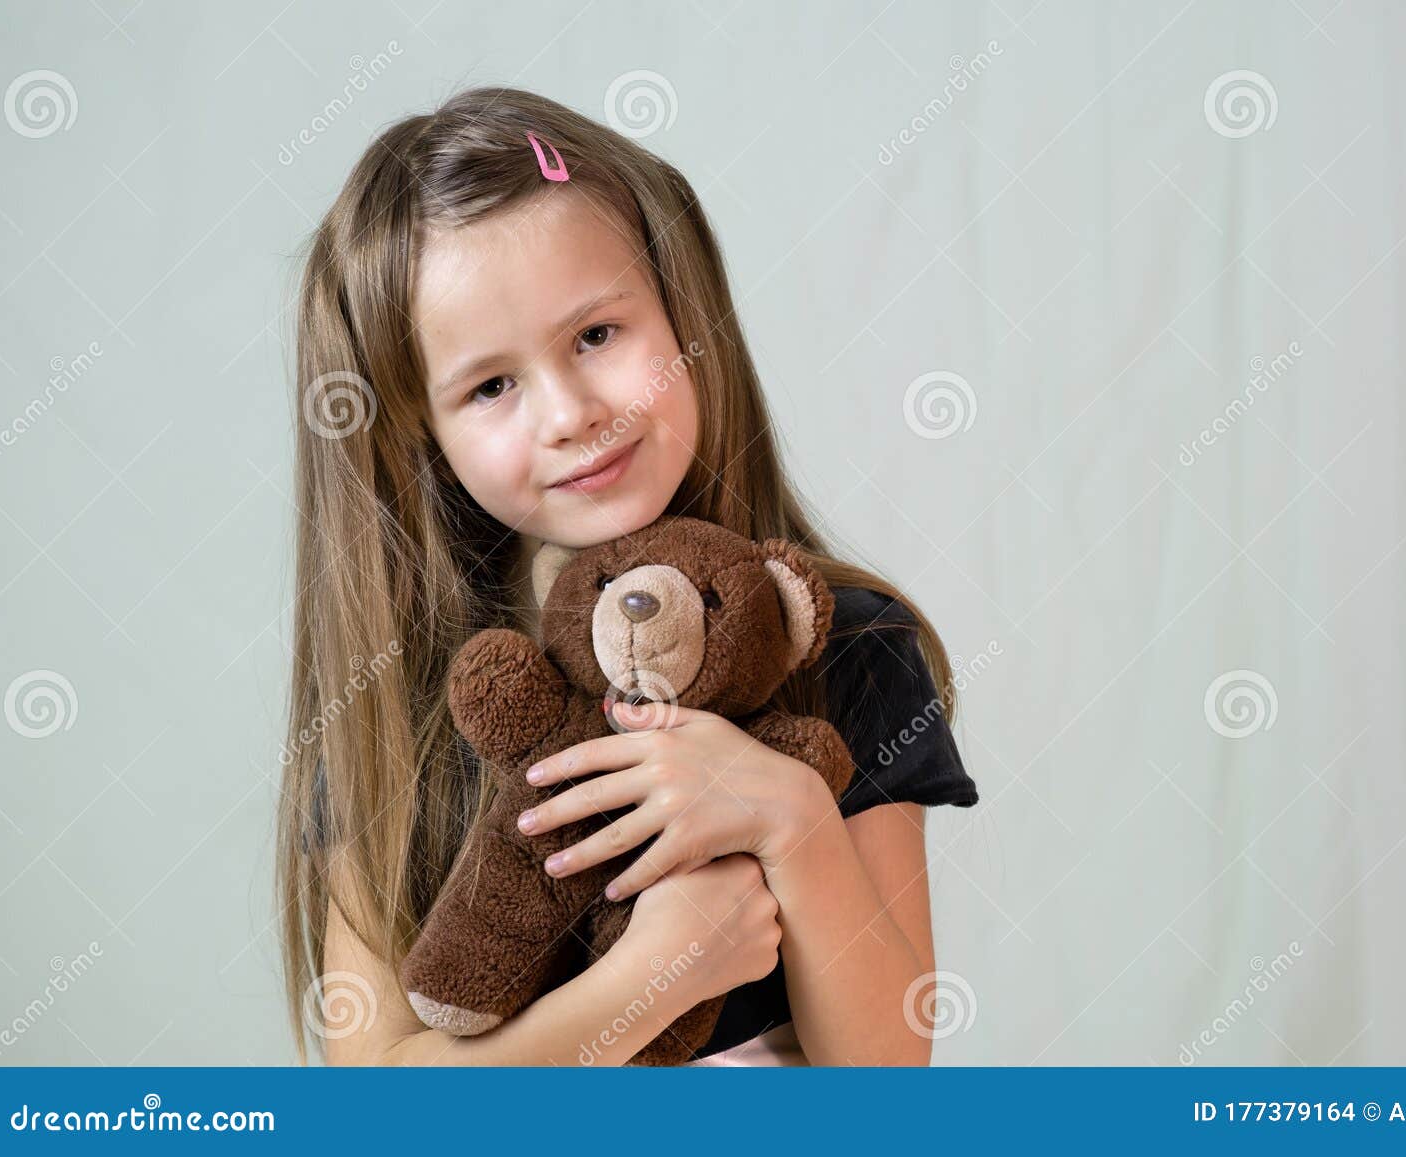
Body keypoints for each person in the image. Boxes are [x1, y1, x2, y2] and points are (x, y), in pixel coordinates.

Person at [279, 86, 979, 1067]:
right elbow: (380, 1106)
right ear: (421, 438)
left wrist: (795, 818)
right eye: (491, 385)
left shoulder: (847, 646)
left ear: (683, 312)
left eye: (598, 335)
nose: (568, 411)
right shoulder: (384, 711)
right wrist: (660, 970)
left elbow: (885, 1077)